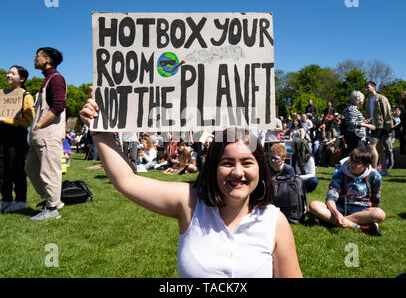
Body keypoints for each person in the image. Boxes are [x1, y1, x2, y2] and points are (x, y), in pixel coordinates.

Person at [80, 91, 303, 277]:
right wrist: (100, 131)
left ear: (260, 168)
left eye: (247, 162)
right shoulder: (190, 202)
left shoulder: (275, 222)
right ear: (213, 167)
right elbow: (127, 181)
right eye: (227, 162)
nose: (237, 172)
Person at [25, 47, 67, 221]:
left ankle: (51, 209)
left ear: (47, 59)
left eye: (37, 57)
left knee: (49, 171)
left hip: (49, 133)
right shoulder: (47, 79)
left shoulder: (56, 79)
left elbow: (58, 106)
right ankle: (53, 199)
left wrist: (39, 124)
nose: (35, 59)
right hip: (39, 134)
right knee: (30, 167)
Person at [309, 147, 385, 236]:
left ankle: (329, 221)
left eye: (358, 163)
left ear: (367, 165)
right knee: (314, 205)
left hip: (361, 211)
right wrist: (336, 214)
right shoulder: (340, 172)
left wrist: (372, 213)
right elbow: (331, 197)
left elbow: (375, 199)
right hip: (339, 206)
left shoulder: (374, 176)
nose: (352, 165)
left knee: (380, 214)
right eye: (352, 161)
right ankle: (358, 227)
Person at [0, 66, 34, 213]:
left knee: (16, 167)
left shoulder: (26, 95)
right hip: (1, 135)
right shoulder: (1, 94)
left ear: (22, 79)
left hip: (17, 135)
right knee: (2, 168)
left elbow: (28, 120)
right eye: (8, 72)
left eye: (13, 73)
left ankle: (20, 200)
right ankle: (6, 199)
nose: (8, 75)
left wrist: (6, 119)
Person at [365, 81, 393, 175]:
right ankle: (384, 170)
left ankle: (374, 169)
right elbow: (368, 115)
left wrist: (389, 125)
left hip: (380, 126)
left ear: (374, 87)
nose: (366, 89)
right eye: (366, 87)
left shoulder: (381, 98)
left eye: (368, 87)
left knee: (371, 146)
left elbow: (387, 112)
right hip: (373, 126)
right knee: (379, 149)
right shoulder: (368, 100)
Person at [342, 91, 376, 156]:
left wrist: (363, 122)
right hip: (354, 136)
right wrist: (367, 125)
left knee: (355, 155)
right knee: (363, 154)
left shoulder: (351, 108)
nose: (363, 101)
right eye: (363, 99)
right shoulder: (352, 109)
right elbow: (351, 123)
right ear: (360, 100)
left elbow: (352, 121)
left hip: (353, 136)